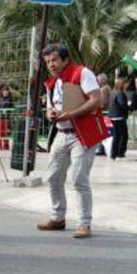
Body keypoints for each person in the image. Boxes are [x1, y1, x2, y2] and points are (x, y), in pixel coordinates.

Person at [35, 44, 103, 239]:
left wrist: (70, 114)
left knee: (79, 178)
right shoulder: (52, 83)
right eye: (48, 61)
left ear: (65, 59)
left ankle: (84, 223)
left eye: (54, 60)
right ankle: (58, 217)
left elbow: (96, 100)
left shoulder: (82, 73)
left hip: (82, 134)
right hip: (62, 133)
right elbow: (50, 107)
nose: (51, 64)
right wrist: (51, 114)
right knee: (53, 176)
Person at [108, 76, 130, 159]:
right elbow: (122, 104)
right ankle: (119, 153)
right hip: (119, 116)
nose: (127, 85)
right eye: (126, 83)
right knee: (123, 136)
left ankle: (114, 153)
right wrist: (130, 108)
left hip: (113, 116)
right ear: (123, 84)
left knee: (117, 135)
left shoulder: (113, 92)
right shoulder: (120, 93)